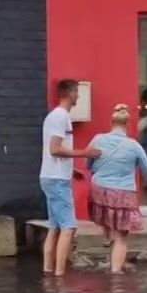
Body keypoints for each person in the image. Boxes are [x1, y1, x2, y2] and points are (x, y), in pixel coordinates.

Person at [86, 103, 147, 274]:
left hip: (99, 190)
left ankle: (108, 239)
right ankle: (116, 272)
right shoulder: (134, 146)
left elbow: (88, 164)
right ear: (128, 124)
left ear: (111, 122)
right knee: (122, 236)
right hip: (122, 193)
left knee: (108, 218)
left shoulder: (97, 139)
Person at [41, 78, 100, 278]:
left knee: (54, 227)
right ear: (69, 93)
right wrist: (85, 153)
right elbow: (55, 149)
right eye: (76, 91)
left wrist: (72, 168)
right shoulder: (60, 117)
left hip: (50, 175)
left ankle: (48, 270)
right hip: (57, 179)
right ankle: (59, 275)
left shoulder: (54, 116)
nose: (78, 95)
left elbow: (54, 150)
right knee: (69, 227)